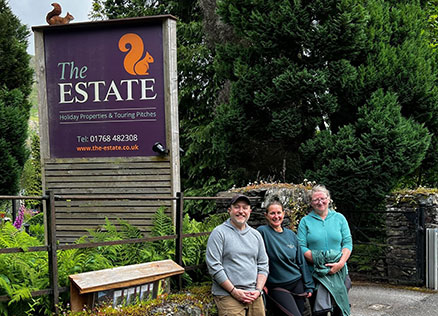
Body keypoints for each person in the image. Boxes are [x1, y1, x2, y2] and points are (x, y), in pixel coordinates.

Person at [206, 194, 269, 316]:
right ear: (229, 210)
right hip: (228, 294)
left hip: (253, 294)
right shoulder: (219, 233)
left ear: (250, 211)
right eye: (237, 207)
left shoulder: (256, 235)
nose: (241, 211)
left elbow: (263, 264)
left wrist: (258, 290)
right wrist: (234, 291)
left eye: (245, 208)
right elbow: (214, 266)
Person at [297, 185, 353, 316]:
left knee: (338, 309)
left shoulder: (339, 218)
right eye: (315, 199)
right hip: (316, 273)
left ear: (329, 199)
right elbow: (301, 247)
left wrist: (339, 265)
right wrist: (319, 262)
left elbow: (347, 243)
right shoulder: (305, 221)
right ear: (311, 202)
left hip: (339, 273)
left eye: (322, 198)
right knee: (319, 312)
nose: (319, 202)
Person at [257, 200, 314, 316]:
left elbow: (301, 262)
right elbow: (254, 259)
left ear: (284, 214)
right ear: (266, 215)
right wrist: (260, 283)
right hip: (277, 286)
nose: (276, 216)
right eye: (272, 213)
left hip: (296, 282)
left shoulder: (291, 235)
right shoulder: (262, 232)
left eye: (279, 213)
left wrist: (309, 285)